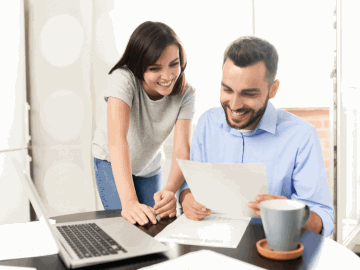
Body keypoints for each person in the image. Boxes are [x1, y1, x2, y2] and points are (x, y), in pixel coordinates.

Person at [178, 36, 334, 237]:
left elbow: (323, 219)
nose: (234, 105)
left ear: (273, 89)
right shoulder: (207, 123)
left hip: (271, 251)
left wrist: (291, 213)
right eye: (227, 89)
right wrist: (186, 198)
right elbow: (190, 187)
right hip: (212, 243)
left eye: (248, 94)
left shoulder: (301, 136)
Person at [92, 21, 195, 226]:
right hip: (110, 161)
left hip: (149, 166)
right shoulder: (123, 79)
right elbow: (117, 140)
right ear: (139, 67)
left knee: (153, 225)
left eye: (174, 64)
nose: (167, 76)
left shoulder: (186, 93)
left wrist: (169, 190)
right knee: (127, 224)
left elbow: (182, 149)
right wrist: (129, 202)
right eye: (155, 68)